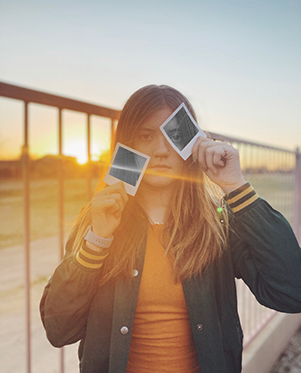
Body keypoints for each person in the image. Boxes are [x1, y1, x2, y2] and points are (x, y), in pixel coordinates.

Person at [40, 84, 301, 373]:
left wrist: (235, 186)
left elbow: (292, 291)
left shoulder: (219, 222)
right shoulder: (100, 217)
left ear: (192, 146)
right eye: (146, 135)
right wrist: (97, 241)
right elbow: (58, 329)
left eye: (171, 135)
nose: (161, 150)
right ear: (127, 145)